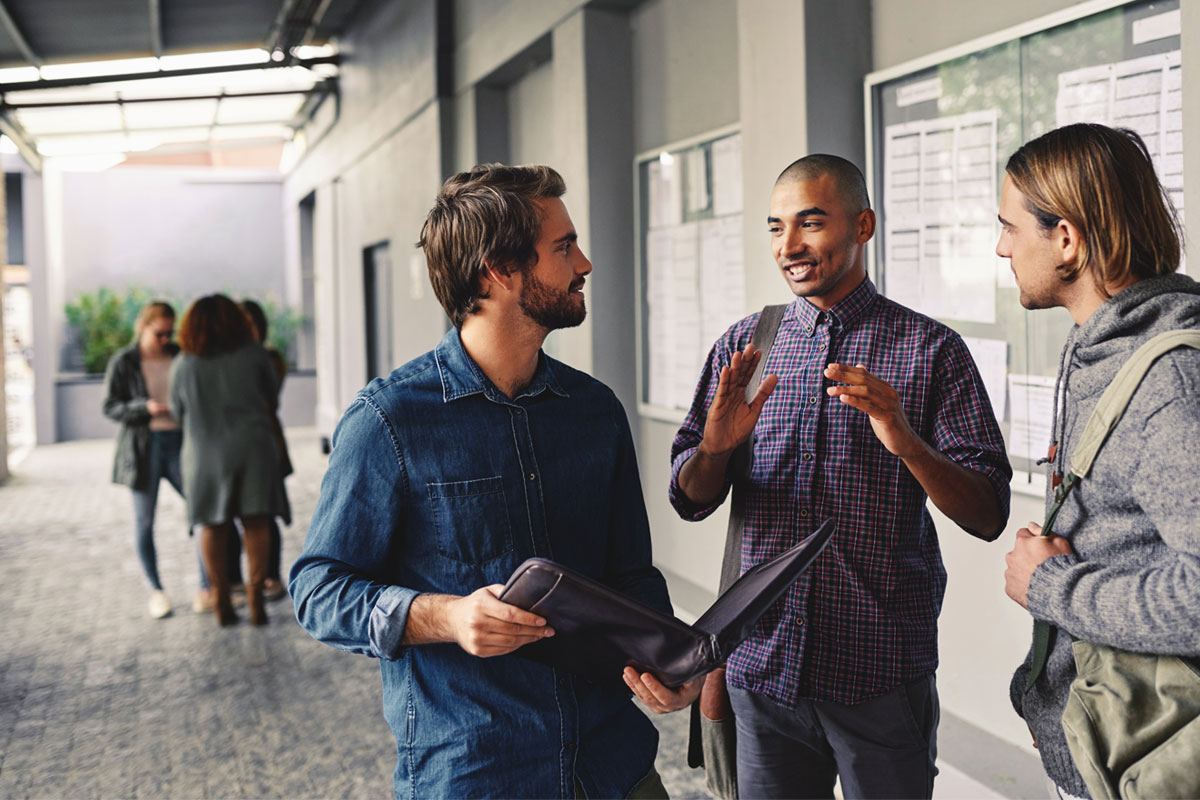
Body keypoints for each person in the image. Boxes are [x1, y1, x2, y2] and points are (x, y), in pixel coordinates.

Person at [290, 164, 696, 799]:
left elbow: (630, 573)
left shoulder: (595, 411)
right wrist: (445, 617)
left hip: (615, 768)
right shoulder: (389, 421)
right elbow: (318, 590)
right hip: (478, 774)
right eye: (564, 247)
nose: (584, 263)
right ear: (499, 271)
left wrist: (667, 657)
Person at [669, 154, 1012, 798]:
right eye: (775, 227)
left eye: (811, 223)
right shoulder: (746, 346)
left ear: (864, 226)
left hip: (879, 674)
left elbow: (988, 512)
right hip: (763, 673)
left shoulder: (930, 350)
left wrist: (907, 442)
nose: (789, 246)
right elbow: (690, 499)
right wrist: (713, 451)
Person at [997, 123, 1200, 800]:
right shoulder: (1099, 347)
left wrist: (1051, 587)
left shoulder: (1168, 381)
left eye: (1010, 227)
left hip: (1151, 765)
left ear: (1067, 239)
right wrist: (1047, 701)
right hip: (1104, 749)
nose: (1001, 247)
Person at [169, 294, 290, 626]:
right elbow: (270, 398)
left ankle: (221, 597)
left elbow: (178, 411)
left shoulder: (184, 363)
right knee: (256, 522)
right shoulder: (254, 356)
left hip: (204, 454)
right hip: (254, 449)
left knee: (211, 524)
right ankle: (255, 599)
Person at [102, 301, 196, 618]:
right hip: (144, 447)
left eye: (170, 333)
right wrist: (144, 408)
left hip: (181, 443)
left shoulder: (180, 355)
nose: (166, 339)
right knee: (144, 523)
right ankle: (156, 591)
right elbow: (110, 406)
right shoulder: (125, 362)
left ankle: (208, 587)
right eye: (160, 333)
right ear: (143, 327)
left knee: (203, 514)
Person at [225, 299, 290, 601]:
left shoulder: (269, 357)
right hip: (234, 444)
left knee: (265, 511)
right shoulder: (227, 358)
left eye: (251, 322)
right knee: (232, 514)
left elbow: (268, 399)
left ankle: (269, 575)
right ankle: (236, 579)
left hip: (265, 441)